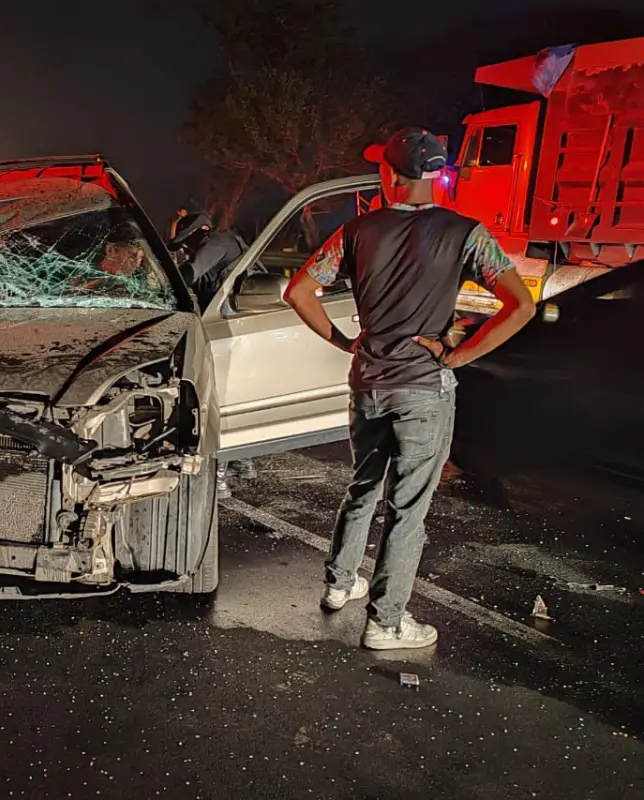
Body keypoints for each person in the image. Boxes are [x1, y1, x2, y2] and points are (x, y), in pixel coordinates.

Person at [284, 127, 535, 651]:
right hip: (423, 386)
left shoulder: (357, 231)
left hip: (370, 381)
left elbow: (299, 291)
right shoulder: (467, 233)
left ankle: (338, 585)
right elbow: (521, 305)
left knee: (364, 484)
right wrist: (457, 354)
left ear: (391, 175)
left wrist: (347, 342)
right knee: (408, 507)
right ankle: (387, 622)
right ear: (436, 176)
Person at [167, 211, 262, 498]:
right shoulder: (221, 246)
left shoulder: (217, 242)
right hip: (235, 328)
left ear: (202, 230)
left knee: (220, 396)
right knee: (235, 394)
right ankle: (243, 460)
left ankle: (219, 477)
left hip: (237, 330)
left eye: (186, 241)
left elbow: (188, 274)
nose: (185, 248)